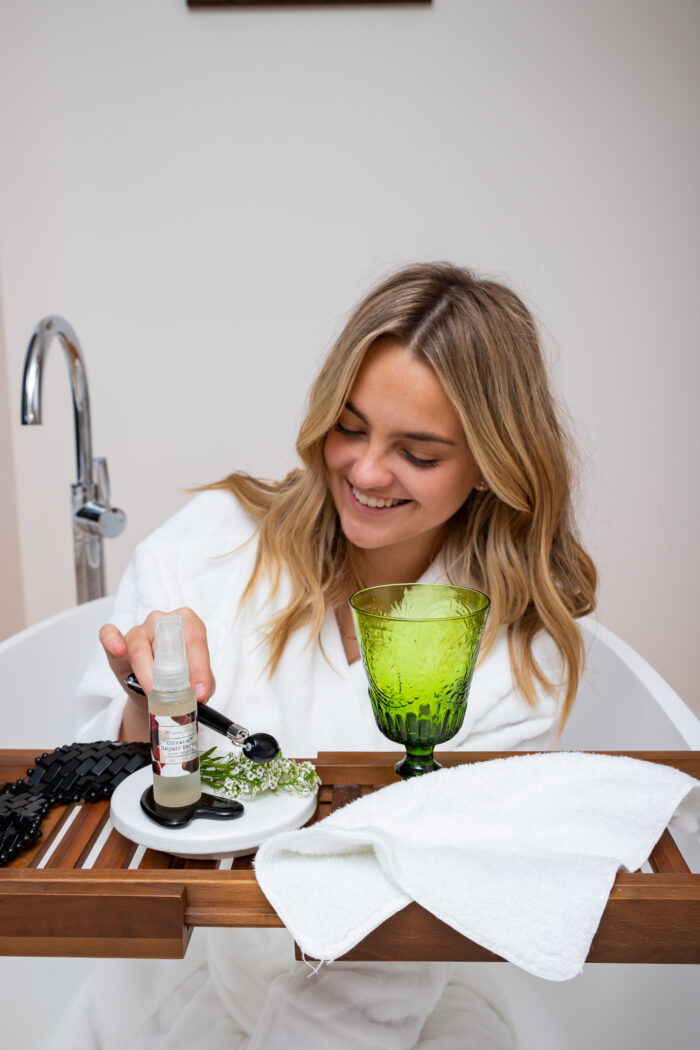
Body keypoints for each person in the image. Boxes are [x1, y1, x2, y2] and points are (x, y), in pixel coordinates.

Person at [57, 263, 596, 1050]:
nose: (367, 471)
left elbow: (403, 942)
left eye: (418, 452)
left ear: (490, 464)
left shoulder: (515, 656)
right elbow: (106, 810)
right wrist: (144, 705)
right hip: (188, 978)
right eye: (350, 426)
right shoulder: (208, 550)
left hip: (404, 998)